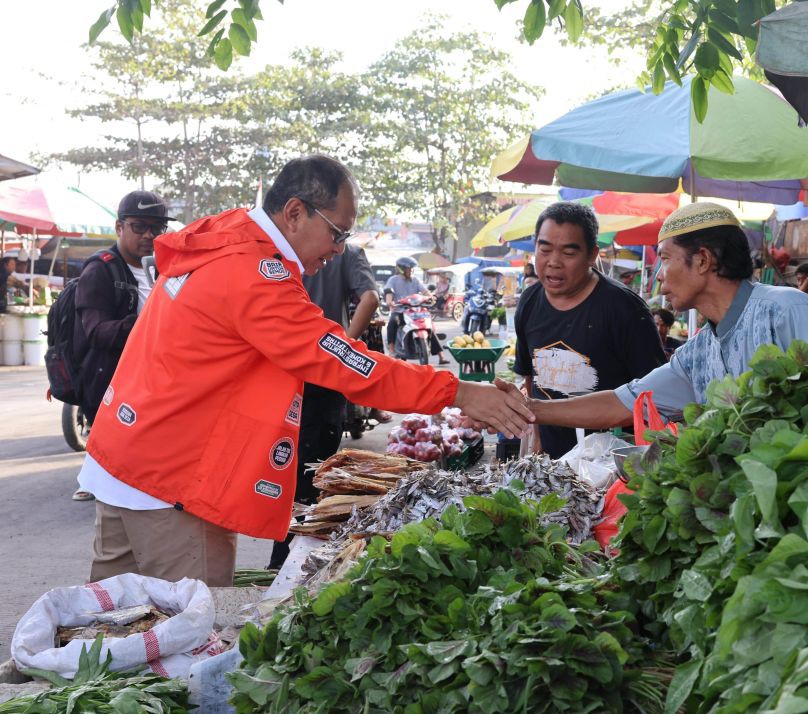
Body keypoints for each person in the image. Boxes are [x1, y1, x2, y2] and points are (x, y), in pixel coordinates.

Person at [76, 155, 533, 586]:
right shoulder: (254, 274)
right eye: (338, 233)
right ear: (294, 212)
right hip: (173, 481)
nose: (339, 250)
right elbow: (347, 364)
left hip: (125, 454)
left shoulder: (225, 235)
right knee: (185, 639)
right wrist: (462, 393)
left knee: (104, 628)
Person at [502, 202, 808, 428]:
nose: (658, 275)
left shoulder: (789, 310)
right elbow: (622, 403)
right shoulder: (697, 354)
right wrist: (526, 408)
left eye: (665, 259)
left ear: (702, 260)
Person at [512, 202, 665, 459]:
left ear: (592, 254)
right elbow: (530, 376)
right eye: (544, 249)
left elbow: (653, 396)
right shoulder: (529, 301)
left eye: (568, 253)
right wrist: (535, 436)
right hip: (550, 459)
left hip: (611, 461)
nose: (553, 262)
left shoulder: (625, 309)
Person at [267, 243, 381, 569]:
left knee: (282, 468)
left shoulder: (281, 248)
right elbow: (369, 298)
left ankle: (280, 559)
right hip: (323, 379)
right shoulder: (348, 253)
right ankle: (296, 562)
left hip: (281, 375)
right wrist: (342, 349)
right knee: (317, 474)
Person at [71, 190, 173, 502]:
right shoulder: (100, 270)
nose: (149, 235)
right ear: (120, 227)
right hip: (109, 379)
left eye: (157, 228)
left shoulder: (163, 267)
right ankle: (96, 480)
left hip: (153, 377)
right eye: (139, 226)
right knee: (115, 461)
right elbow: (96, 332)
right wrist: (144, 323)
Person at [384, 256, 448, 364]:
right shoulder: (393, 280)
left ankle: (441, 356)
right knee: (392, 323)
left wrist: (430, 296)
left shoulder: (415, 280)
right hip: (400, 310)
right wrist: (390, 301)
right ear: (402, 269)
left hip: (416, 310)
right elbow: (388, 293)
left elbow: (425, 291)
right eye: (409, 268)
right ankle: (391, 350)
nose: (411, 270)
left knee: (428, 326)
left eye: (412, 268)